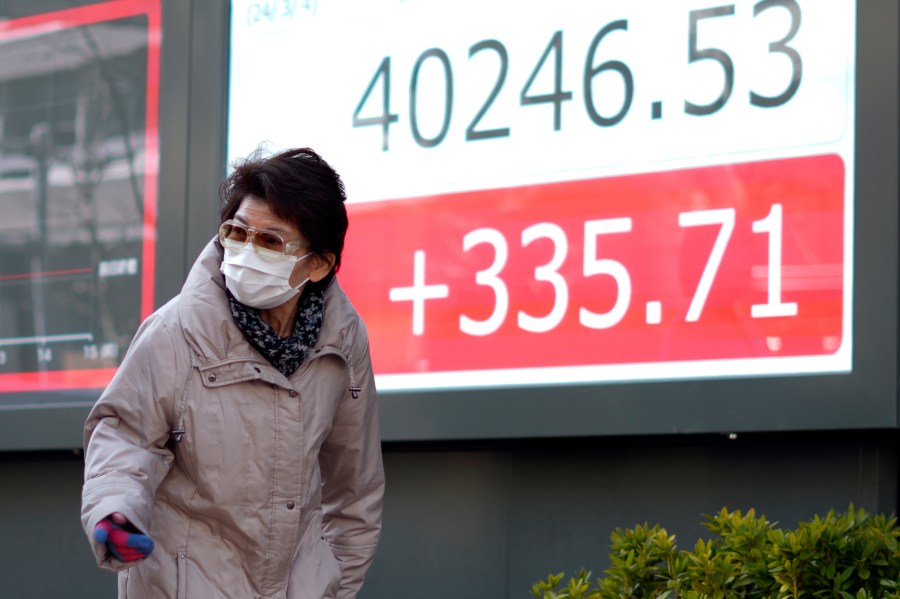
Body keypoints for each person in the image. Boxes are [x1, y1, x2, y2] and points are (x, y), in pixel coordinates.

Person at [81, 147, 385, 599]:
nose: (244, 251)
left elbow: (354, 487)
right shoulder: (176, 329)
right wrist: (114, 512)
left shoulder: (342, 340)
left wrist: (333, 587)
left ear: (319, 264)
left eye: (270, 241)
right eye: (237, 232)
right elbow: (125, 437)